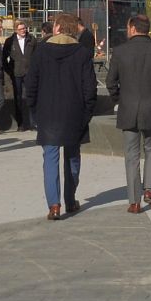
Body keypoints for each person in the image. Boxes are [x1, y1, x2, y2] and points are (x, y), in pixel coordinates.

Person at [25, 13, 97, 221]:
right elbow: (89, 89)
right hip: (75, 112)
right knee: (73, 158)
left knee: (50, 158)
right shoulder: (82, 53)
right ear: (74, 30)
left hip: (47, 112)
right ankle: (70, 199)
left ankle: (54, 205)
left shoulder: (41, 51)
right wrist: (87, 113)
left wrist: (34, 110)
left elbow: (31, 84)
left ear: (56, 28)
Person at [106, 14, 151, 214]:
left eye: (128, 28)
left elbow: (111, 82)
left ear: (133, 28)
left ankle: (134, 201)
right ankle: (149, 189)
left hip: (128, 108)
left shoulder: (119, 52)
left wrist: (119, 99)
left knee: (131, 155)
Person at [4, 19, 37, 131]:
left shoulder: (32, 39)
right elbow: (4, 59)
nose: (24, 30)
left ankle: (33, 123)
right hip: (16, 74)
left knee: (31, 96)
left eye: (25, 28)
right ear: (15, 30)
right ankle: (21, 124)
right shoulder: (10, 41)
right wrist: (10, 71)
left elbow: (37, 56)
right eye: (21, 29)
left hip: (29, 73)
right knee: (18, 98)